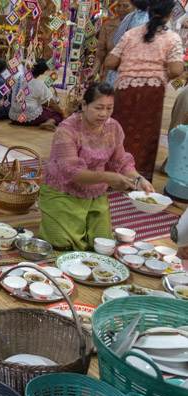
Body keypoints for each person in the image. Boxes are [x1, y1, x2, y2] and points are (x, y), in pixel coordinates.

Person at [39, 83, 154, 251]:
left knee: (102, 243)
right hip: (63, 191)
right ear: (84, 105)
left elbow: (121, 160)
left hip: (95, 193)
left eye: (109, 108)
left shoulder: (113, 127)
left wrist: (138, 178)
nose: (104, 114)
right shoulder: (67, 130)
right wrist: (108, 178)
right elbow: (72, 172)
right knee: (62, 243)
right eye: (99, 108)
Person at [105, 0, 183, 181]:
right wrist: (161, 74)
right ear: (170, 14)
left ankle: (113, 175)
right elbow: (177, 69)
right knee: (145, 135)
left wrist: (130, 69)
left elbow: (109, 62)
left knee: (121, 132)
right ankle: (137, 179)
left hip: (125, 90)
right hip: (152, 92)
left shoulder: (131, 34)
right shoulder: (172, 38)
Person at [9, 59, 63, 130]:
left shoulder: (17, 78)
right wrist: (62, 112)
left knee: (38, 104)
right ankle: (50, 122)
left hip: (14, 117)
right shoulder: (39, 84)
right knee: (57, 114)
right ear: (42, 73)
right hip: (29, 119)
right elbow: (51, 104)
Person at [107, 0, 150, 85]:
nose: (121, 9)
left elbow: (116, 42)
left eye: (125, 6)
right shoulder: (150, 19)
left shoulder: (131, 17)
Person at [96, 0, 133, 78]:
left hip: (130, 75)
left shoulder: (139, 27)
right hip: (109, 74)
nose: (121, 9)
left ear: (135, 8)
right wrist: (94, 71)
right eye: (119, 6)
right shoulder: (108, 25)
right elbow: (100, 52)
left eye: (125, 6)